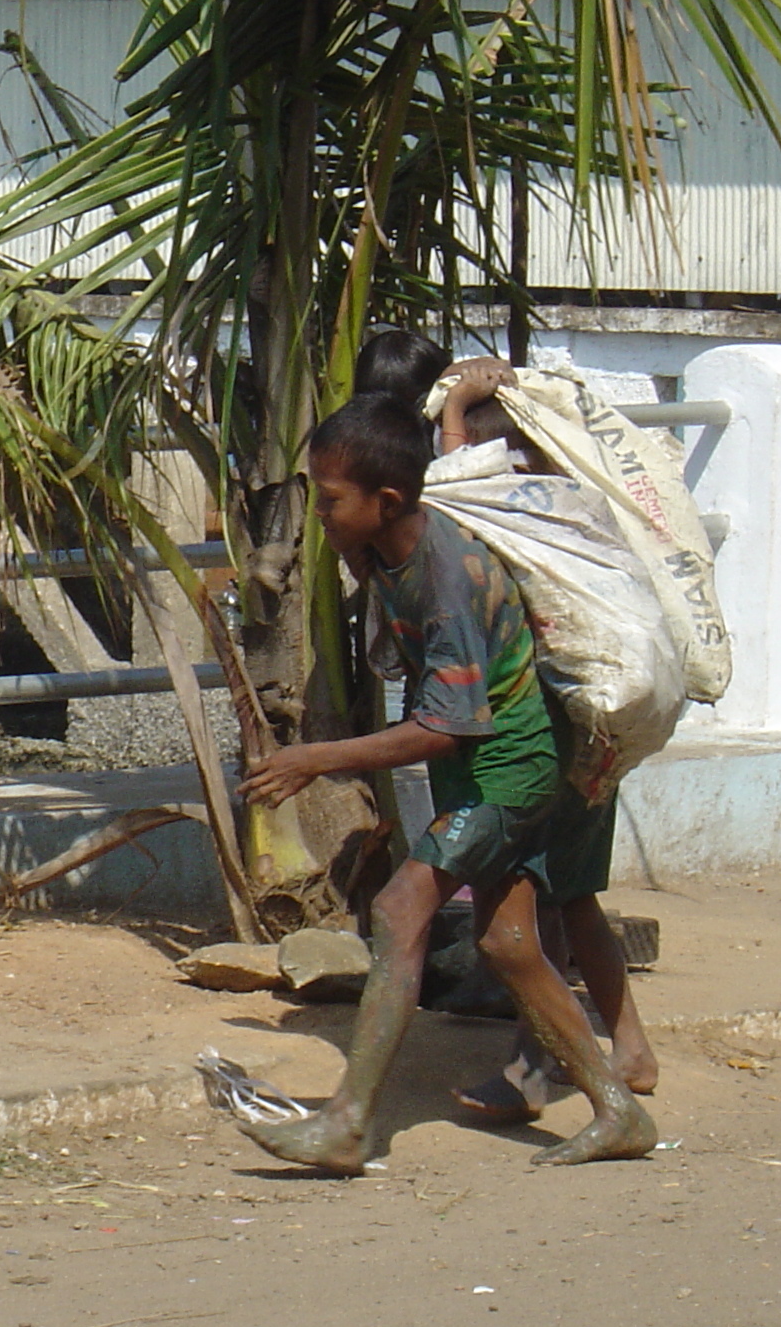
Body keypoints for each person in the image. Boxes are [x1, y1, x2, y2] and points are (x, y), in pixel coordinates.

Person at [235, 393, 653, 1173]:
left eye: (330, 502)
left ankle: (351, 1125)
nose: (320, 516)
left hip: (506, 773)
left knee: (400, 911)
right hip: (489, 770)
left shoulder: (446, 577)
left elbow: (450, 723)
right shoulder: (392, 551)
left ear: (386, 502)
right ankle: (618, 1108)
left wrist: (311, 761)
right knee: (507, 942)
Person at [429, 360, 660, 1121]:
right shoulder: (575, 507)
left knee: (528, 901)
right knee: (574, 894)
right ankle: (629, 1046)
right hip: (597, 726)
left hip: (543, 729)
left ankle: (535, 1068)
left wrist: (458, 403)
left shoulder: (499, 514)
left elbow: (450, 481)